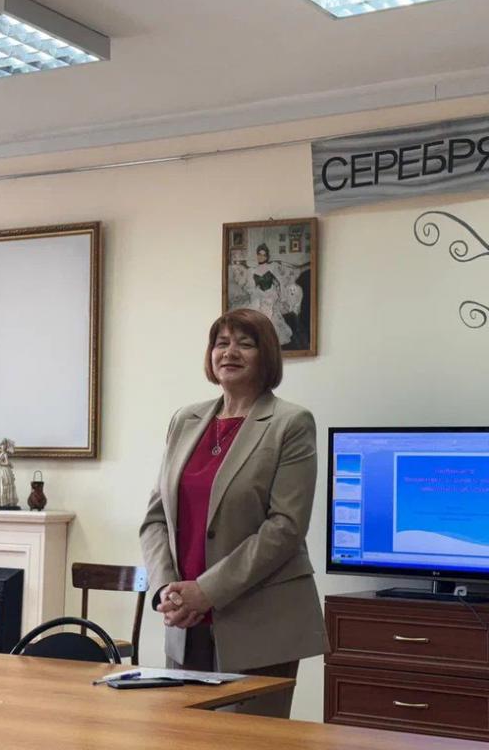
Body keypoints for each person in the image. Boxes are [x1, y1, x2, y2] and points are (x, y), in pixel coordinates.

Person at [139, 308, 326, 718]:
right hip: (185, 621)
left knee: (248, 742)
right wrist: (166, 588)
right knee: (184, 739)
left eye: (245, 343)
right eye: (221, 343)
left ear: (267, 355)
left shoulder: (291, 423)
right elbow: (155, 518)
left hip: (260, 623)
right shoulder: (184, 421)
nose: (230, 352)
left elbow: (285, 527)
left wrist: (206, 591)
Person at [248, 244, 294, 345]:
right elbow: (252, 288)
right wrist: (256, 296)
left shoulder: (272, 267)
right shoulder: (252, 270)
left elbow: (280, 282)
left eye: (264, 255)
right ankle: (262, 339)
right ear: (257, 255)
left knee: (271, 313)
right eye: (259, 254)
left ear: (267, 257)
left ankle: (271, 339)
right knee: (257, 312)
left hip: (271, 295)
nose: (261, 257)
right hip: (260, 296)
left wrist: (281, 296)